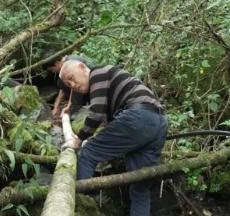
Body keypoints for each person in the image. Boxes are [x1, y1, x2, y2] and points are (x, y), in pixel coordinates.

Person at [59, 60, 168, 216]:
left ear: (82, 68)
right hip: (158, 123)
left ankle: (78, 205)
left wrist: (80, 139)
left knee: (88, 153)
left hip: (137, 119)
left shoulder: (98, 74)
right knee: (139, 187)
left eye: (72, 78)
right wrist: (96, 138)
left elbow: (96, 114)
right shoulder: (108, 79)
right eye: (68, 85)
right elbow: (111, 124)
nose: (73, 85)